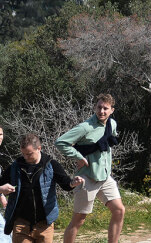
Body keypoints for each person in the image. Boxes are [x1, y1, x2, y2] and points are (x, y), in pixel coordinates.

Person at [55, 94, 125, 243]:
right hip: (87, 178)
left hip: (104, 177)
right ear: (95, 107)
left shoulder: (112, 124)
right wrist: (78, 157)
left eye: (105, 108)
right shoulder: (85, 127)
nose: (102, 111)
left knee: (119, 210)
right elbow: (60, 142)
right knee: (79, 220)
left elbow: (109, 141)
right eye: (99, 107)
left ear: (112, 110)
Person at [0, 134, 84, 243]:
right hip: (21, 223)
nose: (25, 157)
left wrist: (73, 183)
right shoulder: (15, 167)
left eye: (29, 154)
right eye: (23, 154)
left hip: (45, 224)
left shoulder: (51, 164)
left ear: (39, 148)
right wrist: (0, 189)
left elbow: (66, 184)